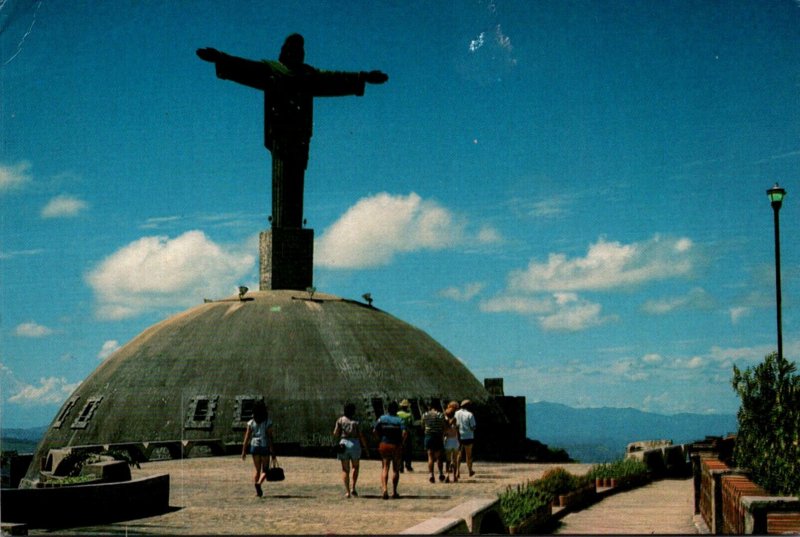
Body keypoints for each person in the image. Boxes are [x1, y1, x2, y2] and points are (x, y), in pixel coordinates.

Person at [196, 34, 388, 229]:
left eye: (300, 51)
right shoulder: (272, 70)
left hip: (300, 136)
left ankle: (291, 229)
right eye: (293, 51)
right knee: (283, 180)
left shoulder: (309, 75)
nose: (297, 55)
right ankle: (282, 228)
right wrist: (220, 57)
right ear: (284, 53)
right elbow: (245, 67)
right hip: (280, 135)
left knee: (296, 182)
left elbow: (335, 78)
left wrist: (363, 77)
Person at [332, 402, 370, 498]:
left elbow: (335, 433)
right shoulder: (356, 422)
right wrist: (366, 448)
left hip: (344, 442)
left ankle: (347, 491)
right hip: (354, 443)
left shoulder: (340, 420)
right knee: (355, 467)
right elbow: (361, 435)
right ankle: (353, 488)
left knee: (345, 469)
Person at [241, 399, 276, 497]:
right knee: (265, 470)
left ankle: (257, 492)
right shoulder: (267, 422)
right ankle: (259, 484)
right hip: (264, 446)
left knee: (257, 470)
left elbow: (247, 437)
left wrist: (243, 451)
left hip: (254, 446)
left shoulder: (251, 422)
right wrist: (273, 451)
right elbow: (270, 437)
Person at [373, 400, 407, 499]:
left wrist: (379, 438)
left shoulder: (382, 419)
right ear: (396, 409)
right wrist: (402, 442)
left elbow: (374, 430)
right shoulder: (400, 420)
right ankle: (394, 491)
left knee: (385, 467)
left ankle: (384, 490)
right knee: (395, 469)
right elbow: (404, 433)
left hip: (384, 444)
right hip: (396, 445)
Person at [422, 399, 446, 483]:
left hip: (428, 437)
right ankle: (440, 474)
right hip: (438, 437)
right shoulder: (440, 415)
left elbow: (423, 426)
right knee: (439, 457)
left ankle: (431, 474)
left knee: (430, 457)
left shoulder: (425, 415)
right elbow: (443, 426)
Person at [455, 399, 477, 478]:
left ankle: (457, 471)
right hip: (468, 436)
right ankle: (470, 470)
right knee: (469, 455)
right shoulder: (470, 414)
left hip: (459, 436)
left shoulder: (456, 413)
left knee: (459, 454)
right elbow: (473, 426)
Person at [442, 401, 461, 483]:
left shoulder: (445, 424)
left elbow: (444, 433)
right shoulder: (455, 423)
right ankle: (455, 476)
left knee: (447, 460)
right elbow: (458, 433)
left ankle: (447, 476)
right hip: (455, 441)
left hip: (448, 441)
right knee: (455, 459)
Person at [396, 399, 415, 472]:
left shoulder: (397, 413)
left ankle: (400, 466)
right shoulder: (409, 414)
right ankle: (408, 465)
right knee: (408, 450)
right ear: (407, 407)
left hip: (398, 433)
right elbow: (411, 423)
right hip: (407, 432)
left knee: (400, 450)